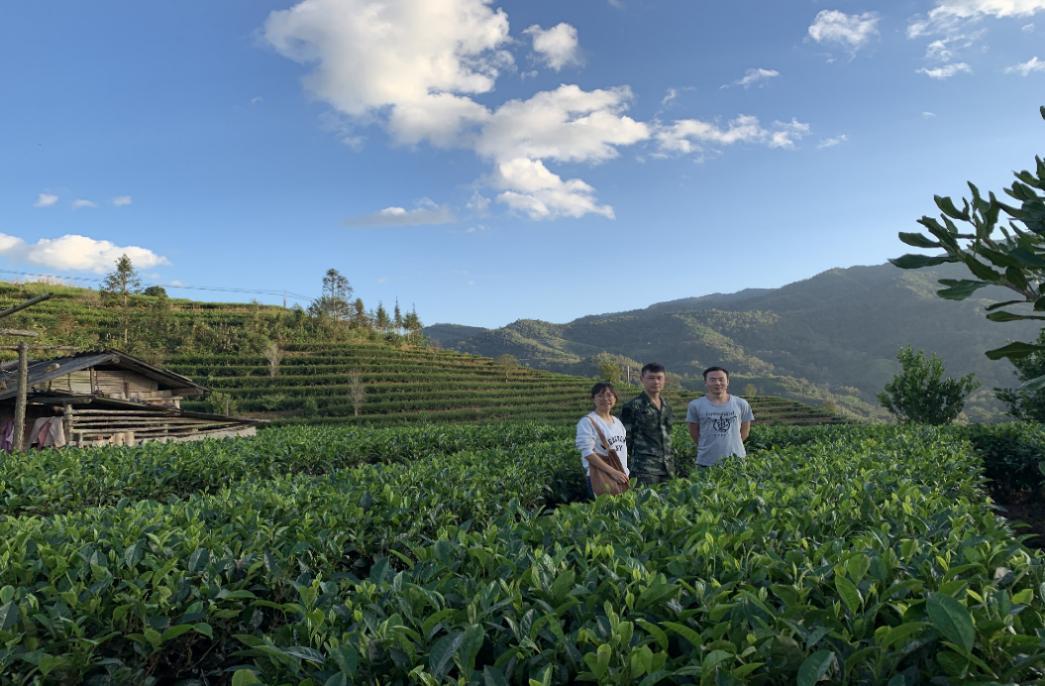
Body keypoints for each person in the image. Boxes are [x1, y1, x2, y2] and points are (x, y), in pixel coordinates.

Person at [686, 366, 754, 468]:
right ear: (705, 382)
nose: (717, 383)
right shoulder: (695, 405)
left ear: (728, 381)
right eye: (712, 380)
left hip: (736, 461)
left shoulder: (741, 404)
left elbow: (745, 432)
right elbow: (694, 432)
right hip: (705, 462)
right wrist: (707, 446)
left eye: (721, 379)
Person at [620, 362, 674, 485]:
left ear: (664, 380)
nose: (656, 382)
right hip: (643, 470)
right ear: (642, 379)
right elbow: (625, 441)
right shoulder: (632, 407)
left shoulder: (667, 407)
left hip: (667, 468)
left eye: (659, 378)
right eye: (651, 378)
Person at [575, 381, 630, 496]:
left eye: (609, 395)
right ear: (593, 399)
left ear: (615, 398)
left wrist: (622, 473)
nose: (605, 399)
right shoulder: (587, 422)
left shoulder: (618, 422)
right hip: (601, 476)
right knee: (605, 507)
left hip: (622, 476)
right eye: (600, 395)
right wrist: (613, 472)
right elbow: (587, 453)